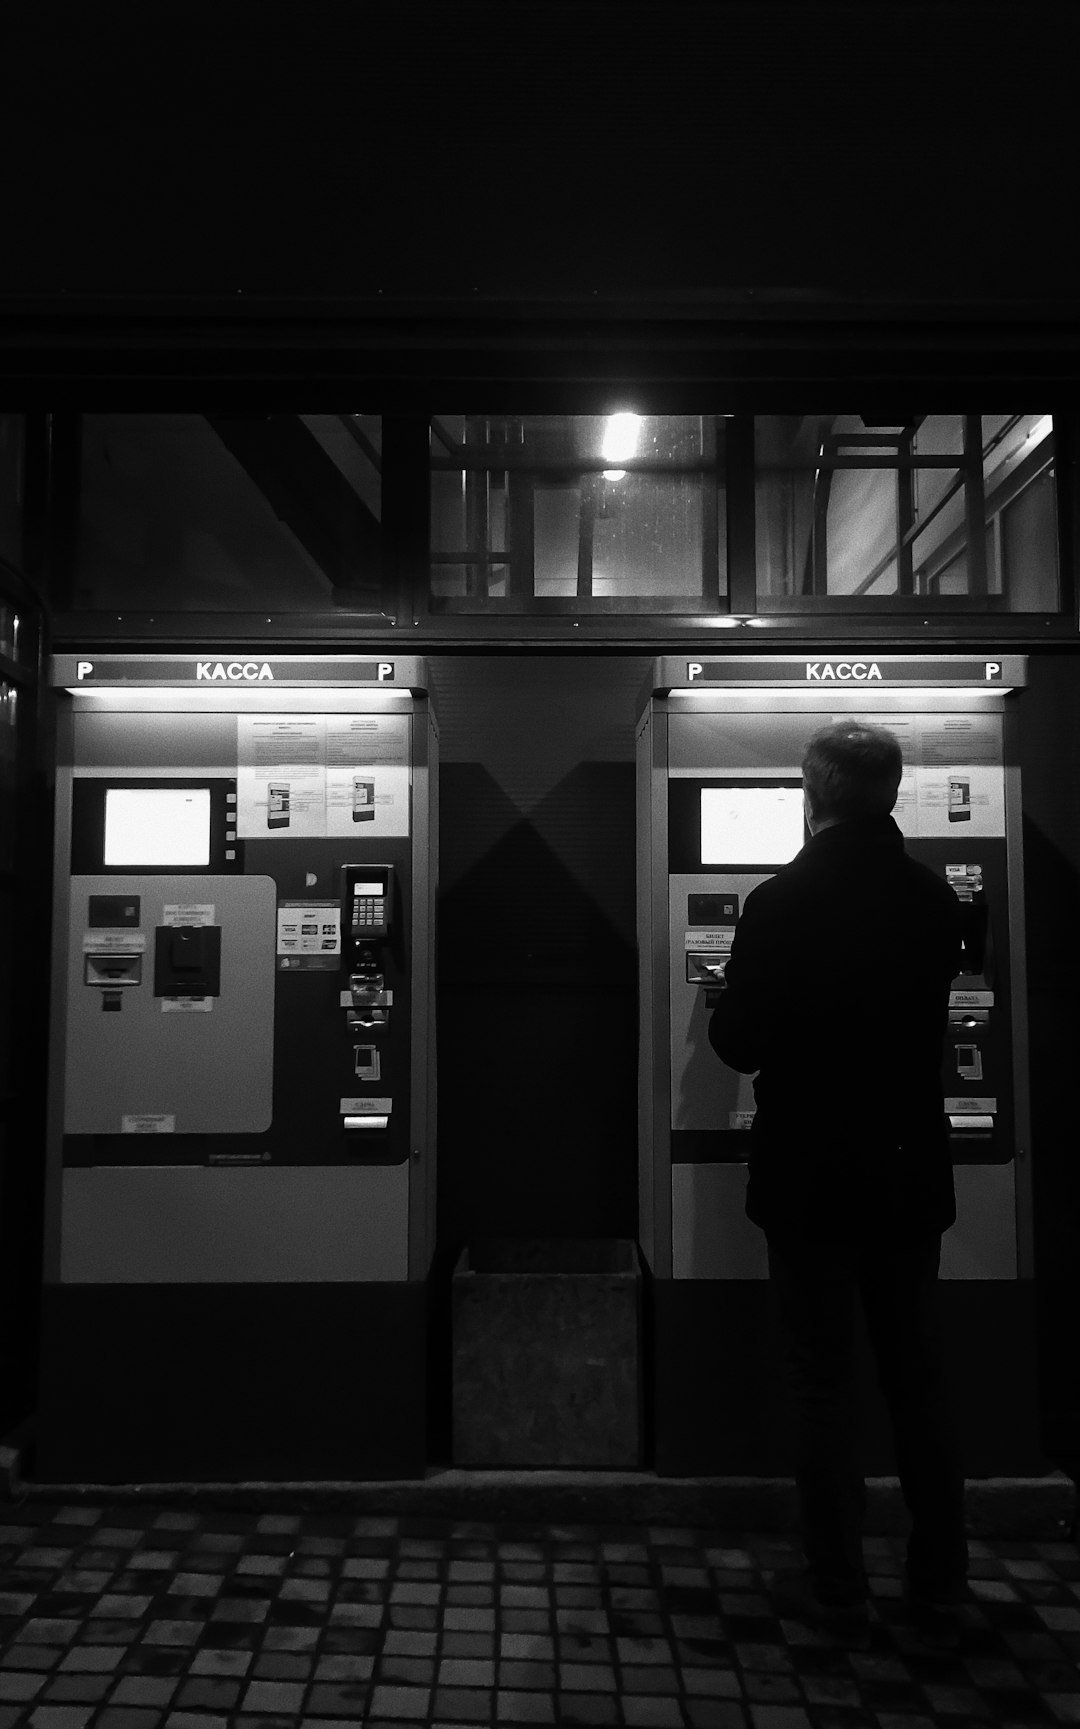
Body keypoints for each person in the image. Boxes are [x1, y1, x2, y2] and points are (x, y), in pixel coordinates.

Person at [708, 720, 968, 1640]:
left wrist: (725, 993)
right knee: (917, 1376)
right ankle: (940, 1579)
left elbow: (741, 1040)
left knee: (823, 1382)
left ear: (810, 795)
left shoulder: (780, 902)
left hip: (811, 1174)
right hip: (906, 1170)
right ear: (890, 793)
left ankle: (838, 1586)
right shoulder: (937, 902)